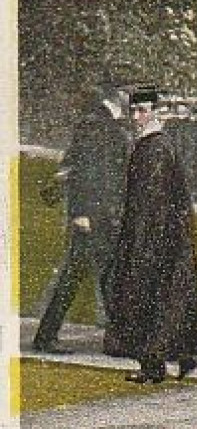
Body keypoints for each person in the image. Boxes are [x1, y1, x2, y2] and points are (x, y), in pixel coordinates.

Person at [102, 87, 197, 384]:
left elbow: (151, 200)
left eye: (143, 111)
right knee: (165, 298)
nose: (137, 117)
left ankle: (153, 366)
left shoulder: (156, 147)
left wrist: (140, 238)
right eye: (134, 111)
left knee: (149, 296)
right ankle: (180, 357)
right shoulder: (150, 144)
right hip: (163, 234)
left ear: (156, 112)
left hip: (155, 235)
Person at [33, 85, 130, 354]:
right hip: (93, 215)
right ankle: (47, 337)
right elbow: (83, 170)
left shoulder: (106, 123)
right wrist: (80, 213)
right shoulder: (96, 124)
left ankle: (119, 337)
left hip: (103, 213)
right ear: (119, 93)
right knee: (80, 275)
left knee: (102, 274)